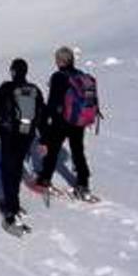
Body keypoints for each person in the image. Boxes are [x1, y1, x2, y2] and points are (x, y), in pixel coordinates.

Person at [0, 57, 45, 227]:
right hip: (27, 135)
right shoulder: (34, 89)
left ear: (13, 71)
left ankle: (10, 207)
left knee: (7, 168)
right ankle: (15, 203)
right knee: (18, 166)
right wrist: (43, 138)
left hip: (8, 134)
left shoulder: (6, 87)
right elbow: (42, 115)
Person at [34, 45, 95, 199]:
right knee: (78, 151)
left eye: (57, 59)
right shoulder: (81, 75)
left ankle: (44, 179)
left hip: (61, 121)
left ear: (61, 61)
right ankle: (83, 183)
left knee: (52, 150)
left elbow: (52, 102)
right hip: (78, 121)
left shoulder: (58, 77)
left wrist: (44, 119)